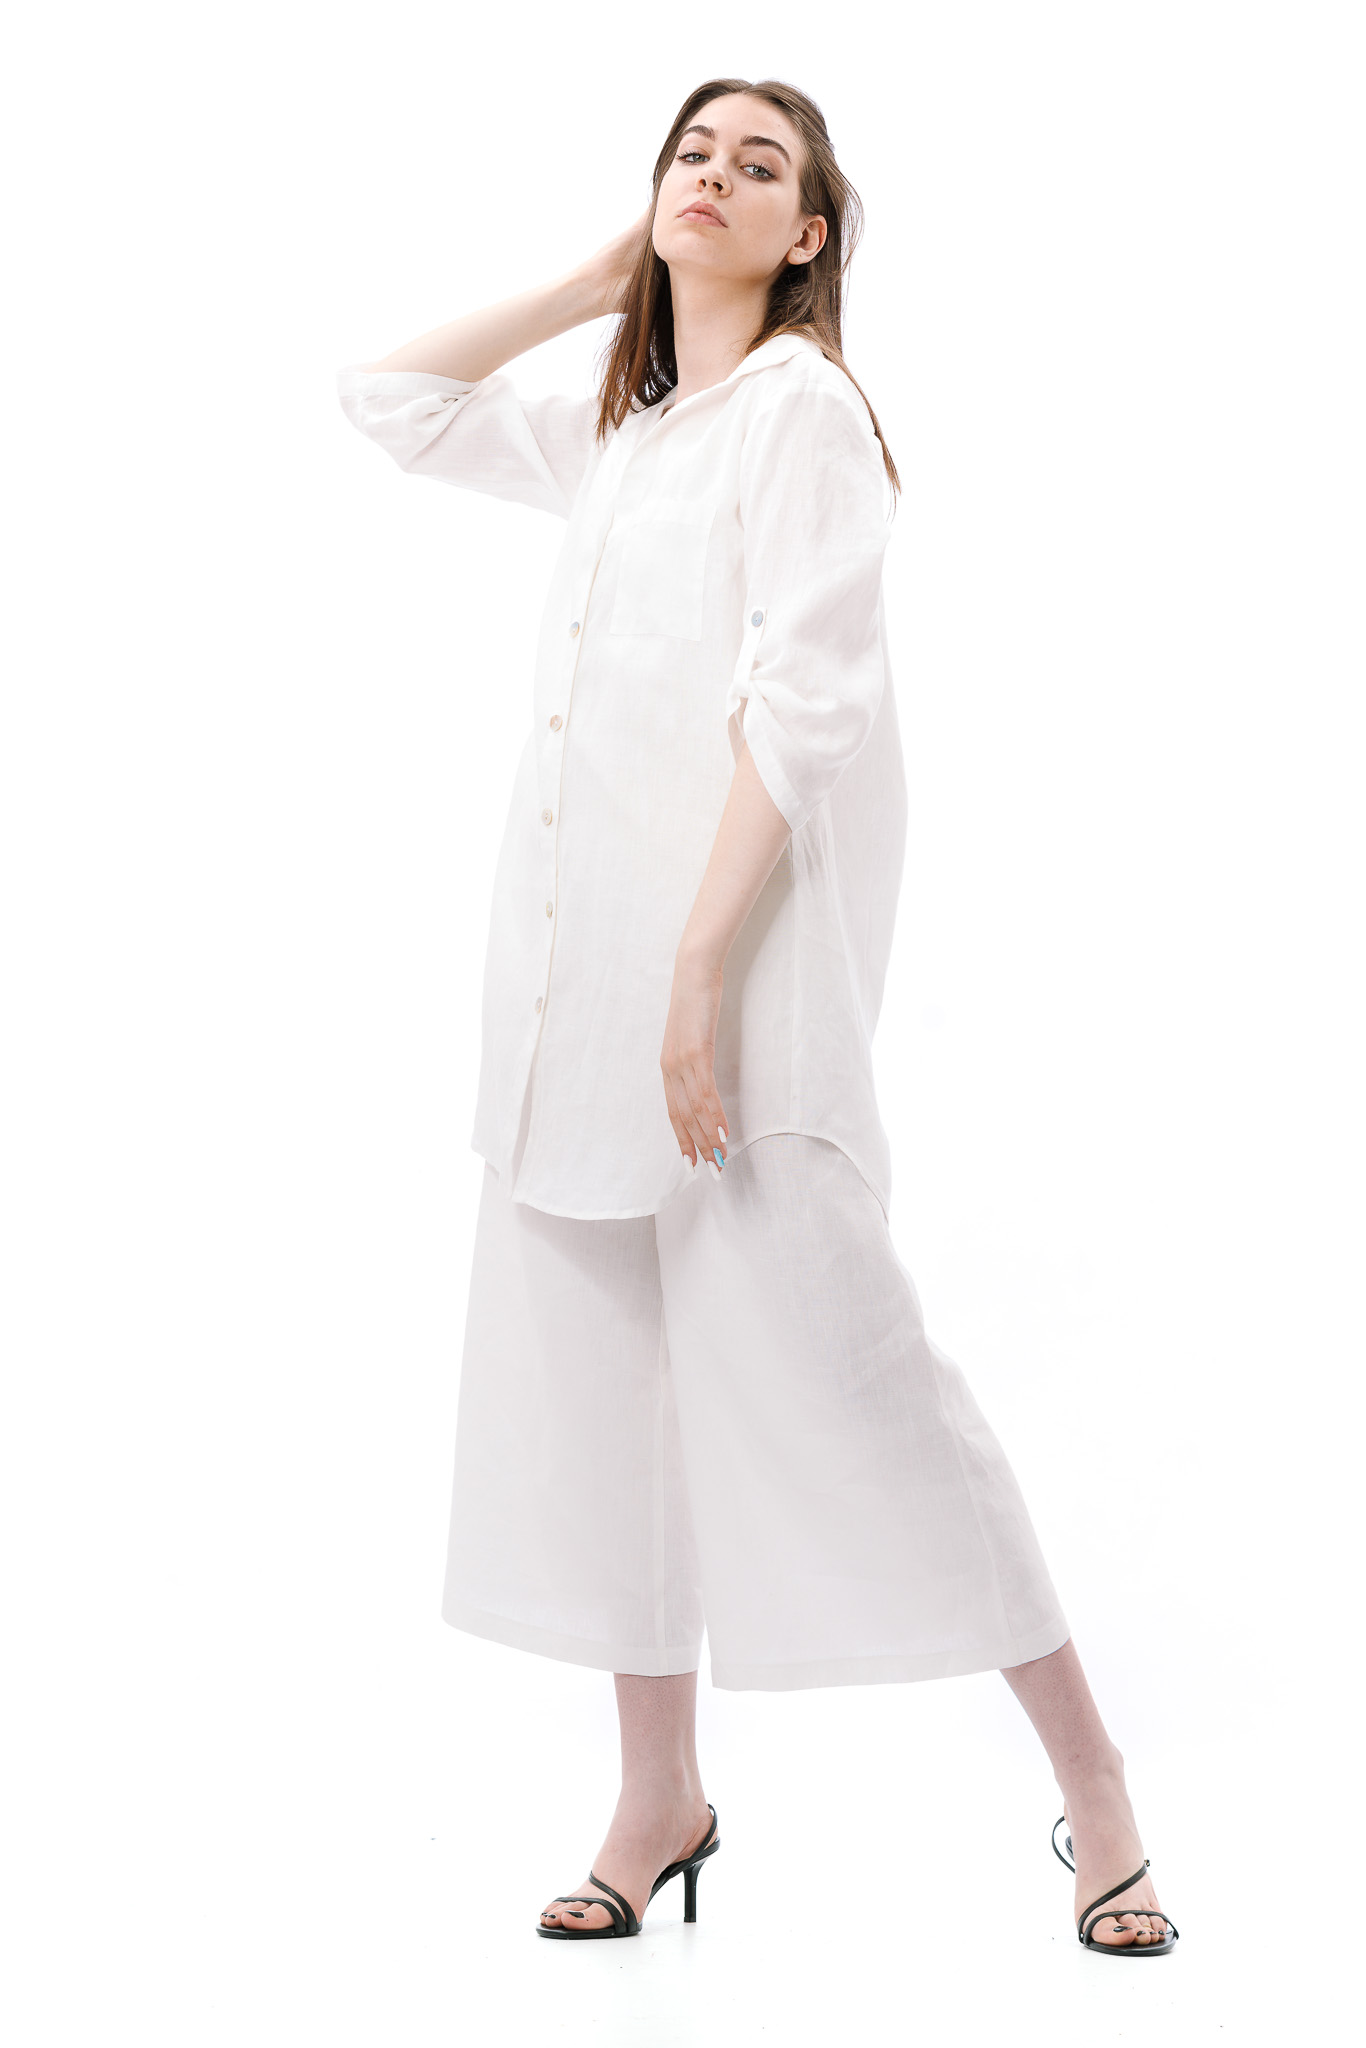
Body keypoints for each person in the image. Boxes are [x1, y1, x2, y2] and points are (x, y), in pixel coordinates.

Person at [336, 76, 1177, 1956]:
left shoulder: (800, 413)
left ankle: (1098, 1783)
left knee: (866, 1382)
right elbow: (388, 402)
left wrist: (700, 968)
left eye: (757, 164)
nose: (710, 177)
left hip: (727, 996)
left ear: (809, 235)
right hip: (567, 1002)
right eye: (688, 154)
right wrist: (596, 284)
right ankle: (658, 1798)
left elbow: (812, 700)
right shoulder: (627, 428)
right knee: (607, 1406)